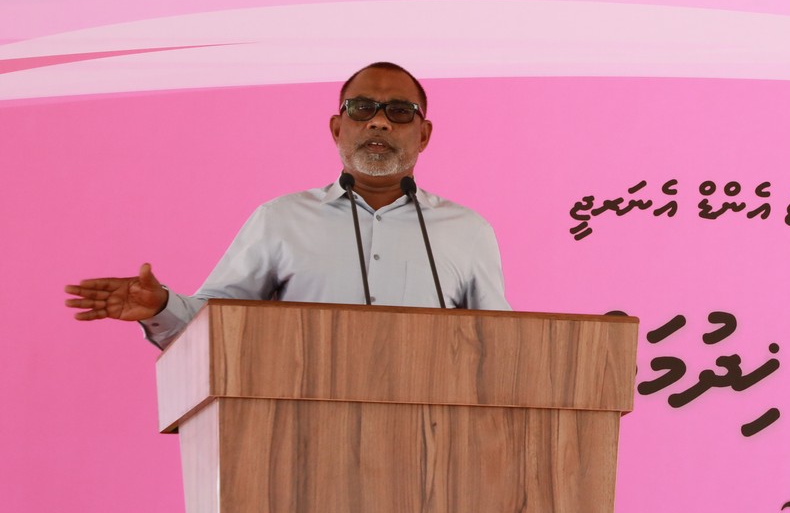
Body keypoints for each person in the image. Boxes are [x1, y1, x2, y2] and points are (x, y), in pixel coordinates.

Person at [64, 62, 509, 349]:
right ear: (337, 128)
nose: (378, 122)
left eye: (399, 111)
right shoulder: (280, 220)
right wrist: (162, 306)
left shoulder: (467, 231)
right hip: (300, 441)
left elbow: (504, 345)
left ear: (423, 134)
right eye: (361, 109)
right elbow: (217, 324)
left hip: (434, 447)